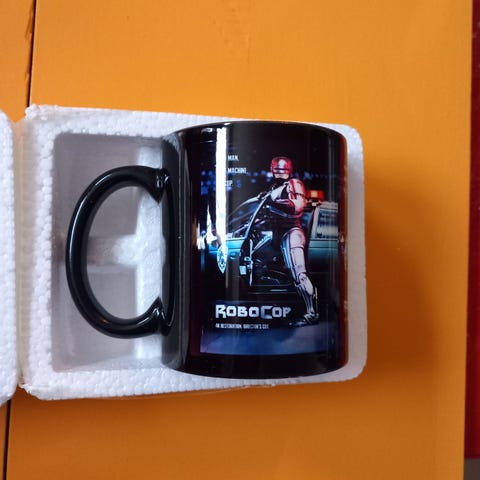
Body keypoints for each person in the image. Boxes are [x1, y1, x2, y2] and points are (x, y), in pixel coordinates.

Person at [263, 156, 319, 325]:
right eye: (278, 170)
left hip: (291, 233)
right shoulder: (274, 188)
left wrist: (272, 202)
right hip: (276, 236)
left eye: (282, 169)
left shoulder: (293, 184)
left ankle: (311, 313)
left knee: (299, 275)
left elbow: (298, 205)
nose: (280, 173)